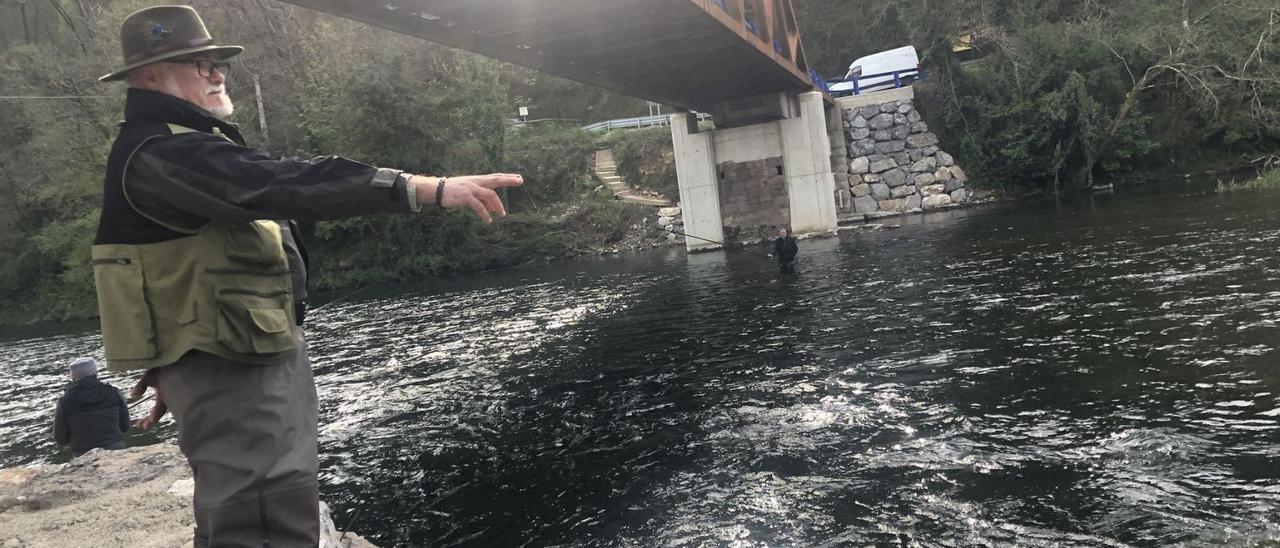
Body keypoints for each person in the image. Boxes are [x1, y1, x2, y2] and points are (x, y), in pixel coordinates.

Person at [92, 6, 523, 546]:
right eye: (197, 64)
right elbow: (290, 182)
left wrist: (177, 361)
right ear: (148, 76)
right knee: (263, 511)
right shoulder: (164, 151)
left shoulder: (181, 146)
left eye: (215, 63)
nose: (216, 73)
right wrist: (421, 188)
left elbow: (171, 262)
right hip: (231, 360)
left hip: (235, 353)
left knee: (268, 500)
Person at [52, 357, 131, 457]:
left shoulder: (64, 402)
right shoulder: (114, 393)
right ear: (95, 373)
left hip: (83, 455)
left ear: (73, 378)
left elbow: (60, 438)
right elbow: (125, 426)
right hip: (116, 451)